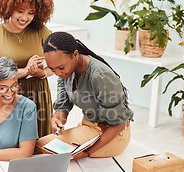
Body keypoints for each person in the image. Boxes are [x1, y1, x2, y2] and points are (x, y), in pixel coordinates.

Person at [36, 32, 134, 160]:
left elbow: (118, 125)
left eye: (61, 68)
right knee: (41, 146)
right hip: (89, 127)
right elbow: (63, 106)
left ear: (75, 54)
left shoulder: (100, 75)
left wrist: (87, 152)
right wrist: (57, 119)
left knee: (40, 147)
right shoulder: (66, 71)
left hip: (113, 135)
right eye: (52, 69)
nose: (57, 73)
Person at [0, 0, 54, 137]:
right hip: (5, 95)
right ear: (8, 8)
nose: (25, 17)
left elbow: (56, 64)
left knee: (38, 145)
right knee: (7, 142)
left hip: (38, 95)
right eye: (20, 11)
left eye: (31, 12)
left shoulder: (41, 31)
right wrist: (25, 71)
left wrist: (42, 73)